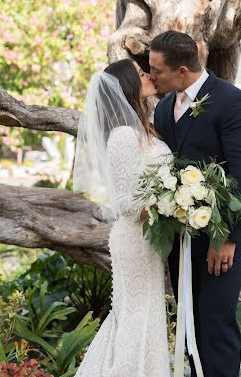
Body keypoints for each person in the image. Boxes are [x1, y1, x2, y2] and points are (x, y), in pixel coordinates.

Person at [150, 31, 241, 377]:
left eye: (157, 70)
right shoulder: (165, 107)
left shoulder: (235, 103)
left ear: (182, 71)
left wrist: (224, 238)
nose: (151, 76)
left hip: (219, 237)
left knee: (215, 323)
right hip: (179, 238)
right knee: (188, 322)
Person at [73, 59, 172, 377]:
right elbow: (126, 202)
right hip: (135, 238)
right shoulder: (122, 137)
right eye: (141, 73)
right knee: (133, 313)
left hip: (150, 240)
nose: (148, 74)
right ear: (128, 84)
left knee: (142, 312)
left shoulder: (145, 129)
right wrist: (170, 206)